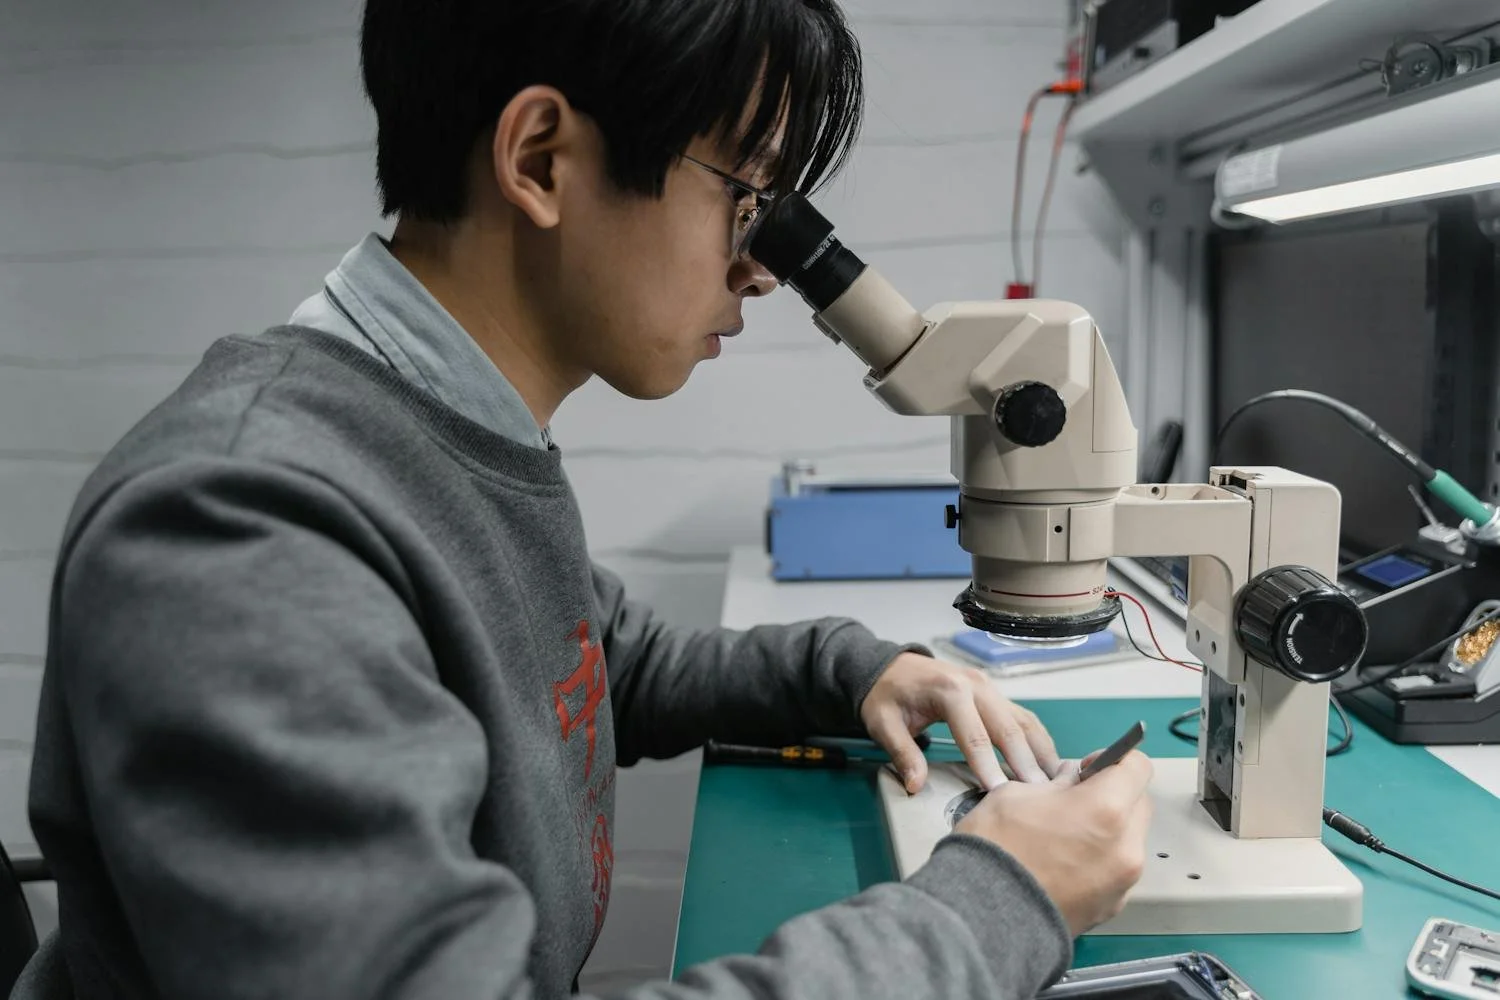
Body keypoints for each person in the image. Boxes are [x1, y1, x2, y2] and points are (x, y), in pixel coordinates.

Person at [13, 2, 1154, 998]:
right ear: (544, 158)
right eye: (748, 195)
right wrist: (998, 902)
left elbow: (593, 660)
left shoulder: (442, 428)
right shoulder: (242, 533)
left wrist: (856, 668)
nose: (762, 265)